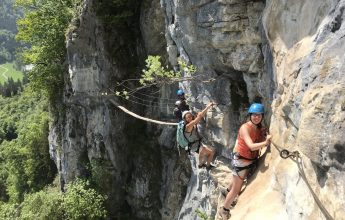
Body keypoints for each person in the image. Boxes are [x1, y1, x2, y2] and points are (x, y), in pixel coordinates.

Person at [219, 103, 272, 220]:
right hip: (241, 162)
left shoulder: (258, 128)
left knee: (235, 181)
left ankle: (226, 191)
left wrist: (264, 135)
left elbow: (259, 136)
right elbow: (251, 146)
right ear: (250, 115)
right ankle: (224, 209)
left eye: (259, 115)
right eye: (254, 115)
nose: (256, 117)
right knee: (236, 190)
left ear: (262, 116)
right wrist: (266, 142)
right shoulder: (245, 128)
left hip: (247, 160)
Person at [182, 102, 215, 169]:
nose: (190, 118)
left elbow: (199, 117)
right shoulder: (188, 126)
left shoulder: (191, 124)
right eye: (188, 117)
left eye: (190, 116)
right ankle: (204, 165)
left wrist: (199, 116)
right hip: (195, 146)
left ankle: (203, 165)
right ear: (185, 119)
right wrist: (208, 106)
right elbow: (199, 117)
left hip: (196, 144)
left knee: (208, 152)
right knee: (209, 151)